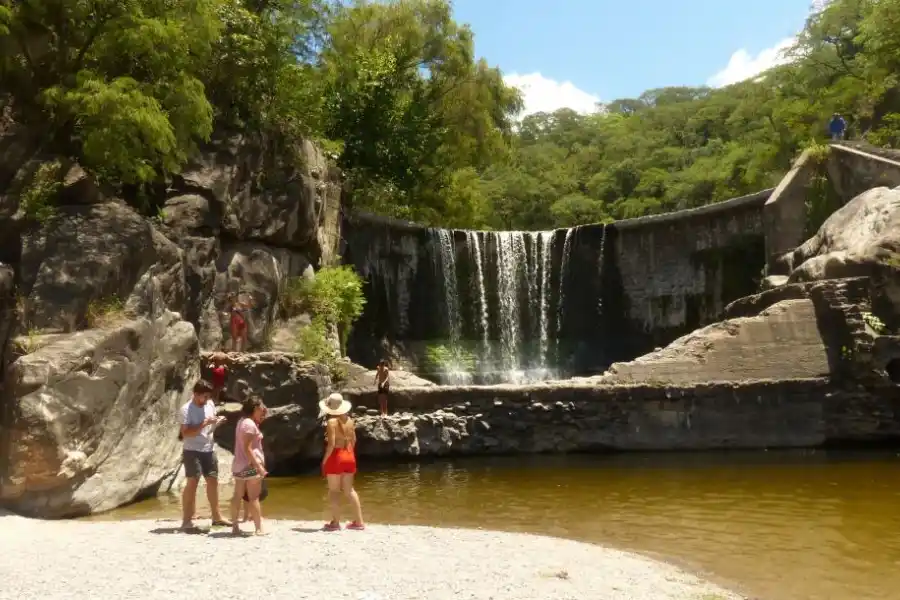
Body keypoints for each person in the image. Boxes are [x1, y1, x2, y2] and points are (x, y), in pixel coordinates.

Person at [180, 380, 230, 532]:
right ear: (196, 394)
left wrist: (217, 421)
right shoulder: (186, 409)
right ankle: (186, 520)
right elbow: (185, 433)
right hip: (192, 450)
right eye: (204, 397)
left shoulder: (210, 404)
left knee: (213, 480)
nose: (207, 399)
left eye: (209, 396)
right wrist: (204, 423)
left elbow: (210, 425)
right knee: (192, 482)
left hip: (209, 448)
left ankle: (216, 516)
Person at [319, 392, 365, 531]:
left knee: (334, 491)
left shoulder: (331, 422)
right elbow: (354, 440)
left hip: (336, 456)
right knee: (349, 490)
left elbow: (331, 444)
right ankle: (359, 522)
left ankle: (335, 523)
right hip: (349, 455)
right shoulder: (350, 420)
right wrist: (348, 454)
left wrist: (324, 461)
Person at [230, 396, 268, 536]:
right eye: (261, 408)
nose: (263, 410)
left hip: (239, 466)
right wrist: (259, 467)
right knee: (254, 497)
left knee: (237, 495)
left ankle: (235, 527)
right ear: (255, 408)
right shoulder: (250, 425)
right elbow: (248, 448)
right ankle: (258, 528)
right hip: (250, 466)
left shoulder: (242, 421)